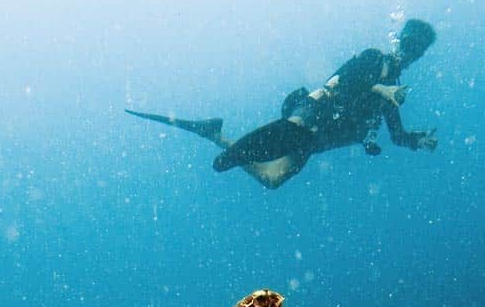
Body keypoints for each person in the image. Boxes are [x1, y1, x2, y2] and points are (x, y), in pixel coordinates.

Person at [126, 19, 438, 189]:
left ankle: (213, 134)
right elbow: (337, 83)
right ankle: (229, 152)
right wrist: (379, 89)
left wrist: (418, 140)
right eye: (409, 46)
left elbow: (397, 136)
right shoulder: (373, 59)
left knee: (272, 180)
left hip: (320, 139)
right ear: (400, 41)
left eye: (417, 52)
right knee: (291, 133)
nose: (410, 55)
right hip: (312, 114)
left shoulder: (394, 91)